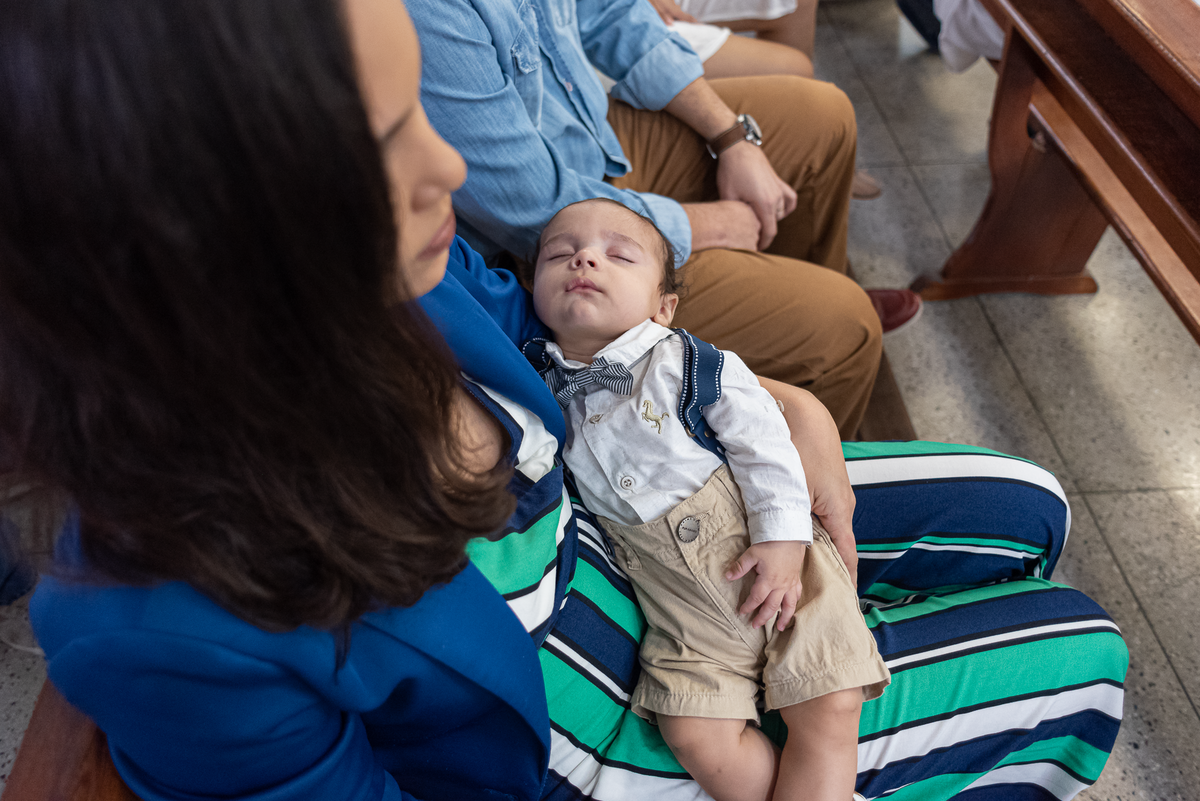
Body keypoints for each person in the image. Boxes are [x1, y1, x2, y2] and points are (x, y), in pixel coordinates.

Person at [1, 1, 1126, 799]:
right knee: (1084, 651)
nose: (447, 168)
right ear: (207, 233)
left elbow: (548, 330)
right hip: (610, 723)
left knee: (1028, 504)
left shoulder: (404, 285)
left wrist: (770, 396)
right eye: (388, 143)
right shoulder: (154, 619)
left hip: (627, 516)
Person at [405, 0, 922, 439]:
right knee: (845, 327)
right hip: (538, 241)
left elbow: (614, 13)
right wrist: (715, 224)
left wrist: (731, 137)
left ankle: (782, 301)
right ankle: (809, 514)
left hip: (589, 141)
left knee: (824, 115)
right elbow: (529, 205)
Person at [525, 198, 890, 801]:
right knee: (693, 731)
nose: (585, 257)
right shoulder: (538, 387)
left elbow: (765, 441)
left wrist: (781, 538)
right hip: (677, 609)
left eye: (618, 255)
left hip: (762, 554)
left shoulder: (687, 361)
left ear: (663, 307)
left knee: (828, 700)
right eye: (559, 254)